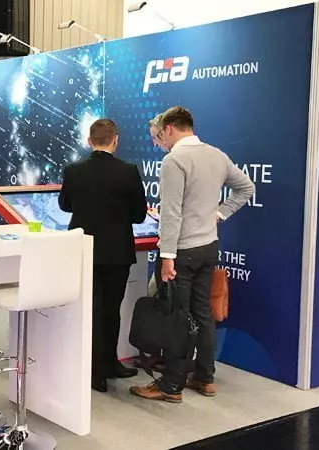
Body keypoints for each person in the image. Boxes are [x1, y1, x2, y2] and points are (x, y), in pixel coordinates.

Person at [131, 106, 255, 403]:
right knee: (202, 314)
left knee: (177, 318)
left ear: (169, 128)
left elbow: (171, 213)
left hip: (181, 251)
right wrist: (220, 214)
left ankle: (170, 385)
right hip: (208, 247)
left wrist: (167, 256)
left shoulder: (175, 160)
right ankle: (204, 377)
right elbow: (246, 188)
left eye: (161, 135)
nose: (161, 142)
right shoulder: (217, 155)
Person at [58, 118, 147, 393]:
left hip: (83, 250)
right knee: (111, 309)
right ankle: (108, 364)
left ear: (89, 141)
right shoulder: (128, 171)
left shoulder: (73, 170)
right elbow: (139, 214)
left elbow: (64, 205)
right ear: (115, 140)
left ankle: (95, 370)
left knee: (91, 310)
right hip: (117, 252)